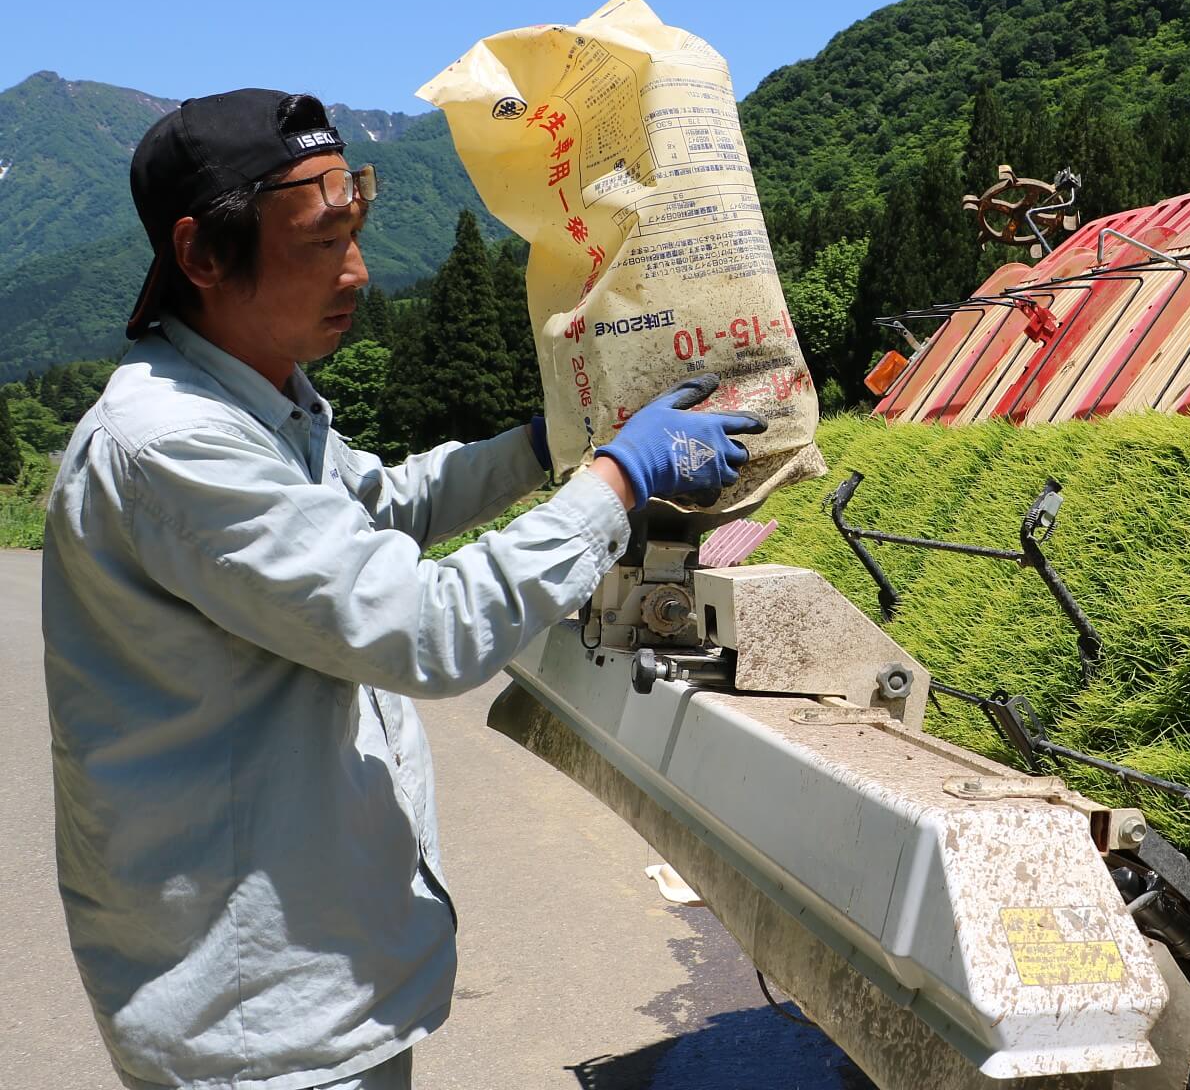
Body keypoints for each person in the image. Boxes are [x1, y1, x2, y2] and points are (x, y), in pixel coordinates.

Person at [40, 89, 765, 1090]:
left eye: (358, 233)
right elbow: (428, 624)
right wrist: (618, 478)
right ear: (204, 255)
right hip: (258, 1021)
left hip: (308, 980)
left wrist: (553, 441)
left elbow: (387, 503)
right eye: (321, 241)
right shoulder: (176, 443)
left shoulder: (255, 403)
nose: (357, 271)